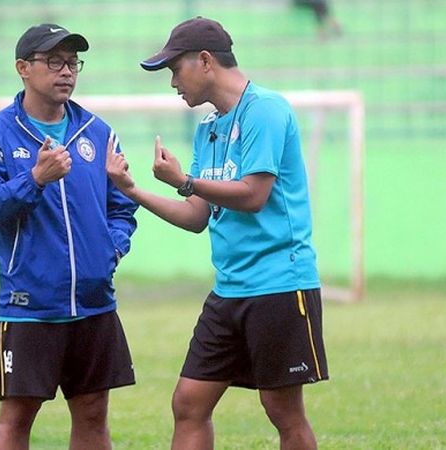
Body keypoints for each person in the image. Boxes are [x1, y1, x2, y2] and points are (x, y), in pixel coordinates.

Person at [108, 17, 328, 450]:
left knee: (282, 409)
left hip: (280, 285)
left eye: (175, 69)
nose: (173, 83)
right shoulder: (208, 129)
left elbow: (253, 194)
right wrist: (135, 191)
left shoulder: (266, 109)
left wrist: (184, 180)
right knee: (189, 402)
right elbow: (197, 216)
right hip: (230, 290)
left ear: (205, 61)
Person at [0, 23, 139, 449]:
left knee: (94, 411)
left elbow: (122, 206)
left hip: (95, 304)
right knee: (17, 416)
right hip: (29, 305)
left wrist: (111, 249)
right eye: (54, 61)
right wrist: (35, 179)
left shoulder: (98, 132)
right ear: (23, 68)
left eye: (73, 62)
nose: (67, 72)